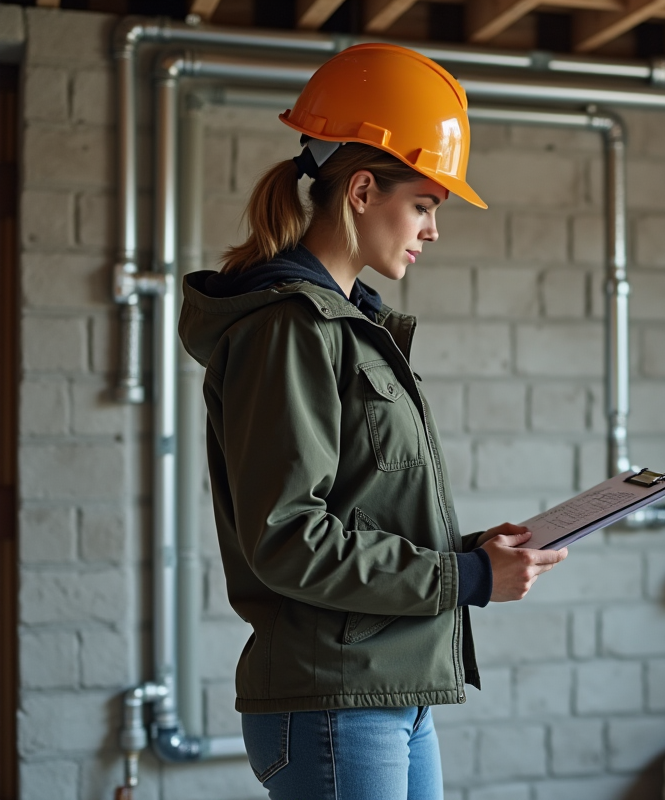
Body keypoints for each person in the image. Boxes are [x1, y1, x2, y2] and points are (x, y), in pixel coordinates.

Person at [177, 43, 568, 800]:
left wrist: (467, 552)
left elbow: (358, 509)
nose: (431, 229)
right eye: (423, 204)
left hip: (390, 690)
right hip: (337, 701)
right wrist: (469, 578)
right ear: (361, 189)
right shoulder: (290, 330)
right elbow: (290, 538)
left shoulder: (351, 326)